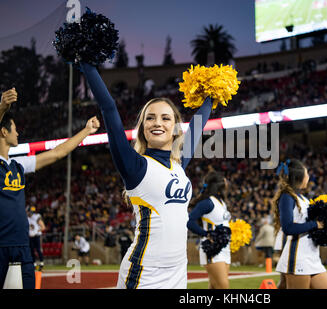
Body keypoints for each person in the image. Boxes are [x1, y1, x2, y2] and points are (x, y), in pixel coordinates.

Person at [81, 62, 212, 289]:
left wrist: (213, 91)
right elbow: (110, 108)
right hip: (145, 272)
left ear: (175, 128)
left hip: (179, 269)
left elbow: (199, 124)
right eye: (150, 118)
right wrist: (87, 65)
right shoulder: (135, 166)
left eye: (165, 118)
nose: (157, 123)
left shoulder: (178, 163)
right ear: (142, 127)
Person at [0, 88, 100, 289]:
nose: (18, 132)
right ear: (4, 131)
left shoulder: (19, 165)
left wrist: (86, 131)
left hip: (22, 246)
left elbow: (57, 153)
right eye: (15, 128)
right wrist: (2, 107)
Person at [271, 159, 327, 289]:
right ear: (300, 177)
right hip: (298, 258)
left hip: (312, 256)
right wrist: (315, 225)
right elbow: (288, 227)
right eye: (307, 174)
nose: (308, 177)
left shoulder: (304, 199)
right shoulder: (287, 197)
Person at [187, 171, 231, 289]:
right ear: (219, 184)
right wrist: (206, 234)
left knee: (214, 286)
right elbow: (190, 222)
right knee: (223, 287)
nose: (227, 182)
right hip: (213, 249)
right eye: (224, 180)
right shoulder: (207, 202)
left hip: (225, 248)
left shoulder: (221, 202)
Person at [27, 206, 45, 271]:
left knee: (38, 250)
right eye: (30, 212)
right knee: (31, 250)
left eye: (32, 212)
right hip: (30, 237)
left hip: (37, 236)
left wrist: (36, 232)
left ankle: (41, 264)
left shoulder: (36, 217)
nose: (31, 213)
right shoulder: (26, 218)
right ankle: (34, 264)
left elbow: (43, 227)